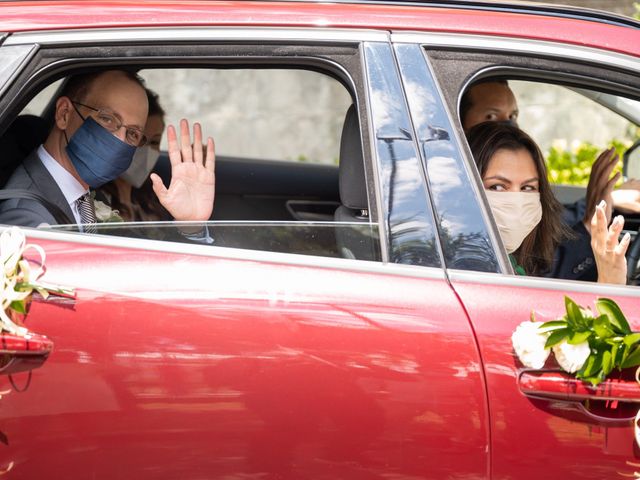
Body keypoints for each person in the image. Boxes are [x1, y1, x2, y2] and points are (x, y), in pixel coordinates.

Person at [460, 79, 633, 281]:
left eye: (527, 188)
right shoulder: (465, 265)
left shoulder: (510, 260)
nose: (508, 125)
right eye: (497, 186)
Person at [0, 69, 215, 230]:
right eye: (107, 119)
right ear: (64, 114)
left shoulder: (91, 196)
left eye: (132, 133)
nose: (120, 141)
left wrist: (190, 226)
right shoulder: (28, 218)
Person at [98, 88, 170, 222]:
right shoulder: (96, 202)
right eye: (136, 137)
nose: (147, 150)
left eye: (154, 142)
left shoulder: (149, 199)